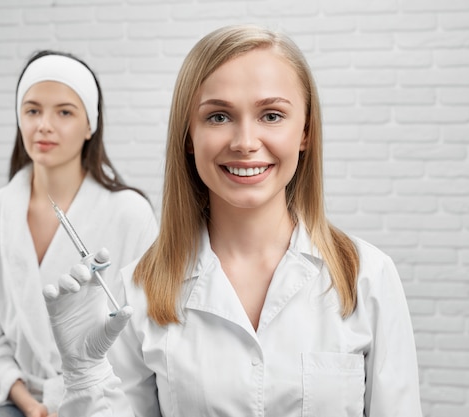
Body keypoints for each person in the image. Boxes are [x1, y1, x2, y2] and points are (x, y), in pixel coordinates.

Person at [43, 25, 423, 416]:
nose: (244, 141)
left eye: (271, 115)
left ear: (305, 131)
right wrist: (85, 375)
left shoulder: (368, 277)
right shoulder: (136, 292)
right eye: (219, 116)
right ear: (189, 136)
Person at [0, 50, 158, 417]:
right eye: (32, 110)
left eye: (64, 112)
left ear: (90, 125)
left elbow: (146, 336)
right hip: (18, 401)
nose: (44, 125)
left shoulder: (131, 213)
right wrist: (29, 404)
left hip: (105, 398)